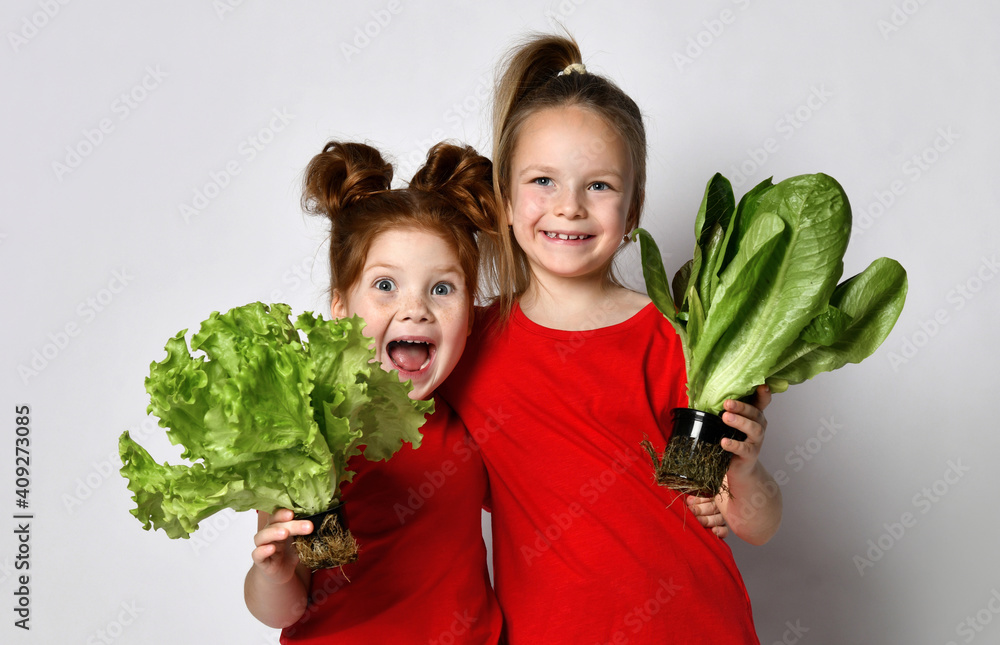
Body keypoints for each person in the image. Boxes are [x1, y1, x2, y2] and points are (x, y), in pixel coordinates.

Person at [440, 34, 782, 643]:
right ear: (505, 200)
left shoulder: (682, 338)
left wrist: (746, 473)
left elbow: (753, 523)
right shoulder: (467, 345)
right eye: (542, 181)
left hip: (700, 626)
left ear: (634, 208)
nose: (568, 208)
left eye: (598, 186)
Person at [244, 140, 505, 644]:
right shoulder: (307, 439)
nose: (416, 309)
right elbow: (285, 606)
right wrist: (271, 575)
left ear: (471, 316)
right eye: (385, 286)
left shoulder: (471, 421)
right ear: (341, 307)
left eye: (442, 288)